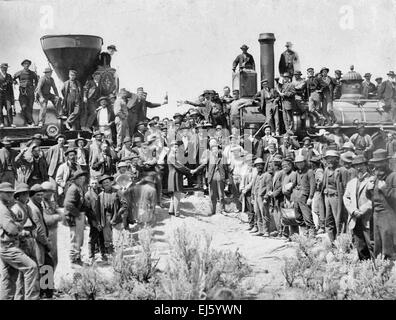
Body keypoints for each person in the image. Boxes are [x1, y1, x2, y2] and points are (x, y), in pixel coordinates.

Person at [0, 182, 39, 300]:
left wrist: (17, 227)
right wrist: (22, 231)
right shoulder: (3, 209)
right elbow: (11, 229)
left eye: (11, 193)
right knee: (31, 267)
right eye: (7, 193)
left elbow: (14, 224)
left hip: (7, 245)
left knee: (9, 277)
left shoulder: (6, 207)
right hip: (8, 246)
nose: (10, 195)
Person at [366, 149, 396, 260]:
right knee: (377, 244)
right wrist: (368, 190)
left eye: (380, 162)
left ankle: (391, 272)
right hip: (376, 215)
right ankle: (379, 270)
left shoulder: (393, 176)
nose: (377, 166)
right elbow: (372, 197)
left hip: (389, 216)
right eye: (375, 163)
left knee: (389, 247)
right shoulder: (375, 177)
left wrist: (385, 189)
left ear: (386, 162)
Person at [343, 155, 373, 260]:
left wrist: (362, 210)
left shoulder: (372, 180)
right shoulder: (351, 182)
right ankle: (364, 269)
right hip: (355, 218)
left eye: (361, 165)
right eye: (356, 166)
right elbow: (346, 198)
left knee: (371, 245)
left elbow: (374, 199)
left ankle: (377, 270)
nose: (359, 168)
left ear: (366, 165)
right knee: (360, 246)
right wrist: (353, 211)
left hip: (368, 218)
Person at [28, 184, 53, 298]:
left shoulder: (37, 205)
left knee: (46, 265)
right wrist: (46, 243)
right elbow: (38, 229)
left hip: (40, 241)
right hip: (38, 242)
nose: (40, 197)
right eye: (38, 195)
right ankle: (43, 293)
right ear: (31, 195)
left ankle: (46, 292)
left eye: (42, 195)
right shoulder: (33, 208)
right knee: (43, 266)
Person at [193, 139, 229, 215]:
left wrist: (227, 179)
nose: (215, 150)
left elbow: (226, 169)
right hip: (212, 178)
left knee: (221, 195)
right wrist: (195, 170)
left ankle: (222, 210)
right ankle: (213, 210)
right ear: (211, 150)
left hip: (220, 177)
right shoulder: (209, 157)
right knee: (212, 195)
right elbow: (203, 165)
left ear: (218, 149)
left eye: (216, 149)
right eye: (213, 149)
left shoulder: (222, 157)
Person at [63, 170, 89, 265]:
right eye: (81, 178)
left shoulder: (79, 188)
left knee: (79, 238)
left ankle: (78, 257)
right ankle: (74, 260)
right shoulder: (73, 189)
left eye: (84, 177)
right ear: (76, 179)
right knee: (75, 238)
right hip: (73, 216)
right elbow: (68, 204)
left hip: (78, 215)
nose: (83, 179)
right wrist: (78, 215)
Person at [322, 150, 344, 242]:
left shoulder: (340, 170)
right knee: (328, 220)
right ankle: (332, 241)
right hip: (327, 196)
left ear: (337, 159)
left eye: (332, 158)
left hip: (336, 196)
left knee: (338, 219)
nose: (329, 161)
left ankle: (340, 242)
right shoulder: (326, 170)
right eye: (328, 158)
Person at [84, 175, 106, 264]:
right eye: (92, 183)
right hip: (93, 219)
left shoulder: (102, 192)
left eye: (96, 183)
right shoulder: (87, 195)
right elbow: (87, 210)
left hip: (102, 218)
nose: (94, 185)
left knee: (102, 237)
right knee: (93, 238)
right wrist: (94, 222)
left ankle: (103, 254)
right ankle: (91, 256)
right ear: (90, 184)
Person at [292, 155, 315, 236]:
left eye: (301, 163)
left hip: (305, 196)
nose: (299, 165)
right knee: (298, 216)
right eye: (297, 163)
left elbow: (312, 185)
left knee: (307, 215)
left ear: (304, 162)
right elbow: (294, 185)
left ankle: (311, 233)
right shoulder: (297, 172)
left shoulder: (309, 172)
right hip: (297, 196)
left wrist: (310, 197)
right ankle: (304, 232)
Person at [41, 181, 62, 270]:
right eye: (47, 191)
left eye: (51, 191)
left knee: (54, 259)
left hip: (53, 232)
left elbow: (62, 216)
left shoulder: (52, 202)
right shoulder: (40, 204)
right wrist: (57, 216)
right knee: (48, 260)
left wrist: (57, 216)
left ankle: (49, 281)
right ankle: (47, 282)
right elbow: (47, 220)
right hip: (46, 233)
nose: (49, 193)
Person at [166, 140, 191, 217]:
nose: (176, 148)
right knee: (177, 194)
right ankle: (177, 213)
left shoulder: (173, 156)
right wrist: (189, 171)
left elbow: (180, 164)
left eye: (177, 147)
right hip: (175, 176)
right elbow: (179, 166)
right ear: (171, 148)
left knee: (174, 195)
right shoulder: (171, 156)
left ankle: (171, 210)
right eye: (174, 147)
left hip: (174, 176)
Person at [13, 59, 38, 127]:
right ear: (23, 65)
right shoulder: (20, 72)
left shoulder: (32, 73)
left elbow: (37, 80)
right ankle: (29, 121)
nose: (26, 65)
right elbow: (13, 78)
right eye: (25, 64)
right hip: (22, 92)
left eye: (28, 64)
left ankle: (29, 122)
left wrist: (35, 88)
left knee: (30, 107)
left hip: (30, 92)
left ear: (29, 65)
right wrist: (15, 82)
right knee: (24, 107)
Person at [251, 158, 272, 237]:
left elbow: (269, 188)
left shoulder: (267, 175)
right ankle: (261, 230)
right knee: (257, 213)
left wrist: (266, 198)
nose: (258, 167)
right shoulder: (256, 176)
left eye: (260, 165)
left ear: (263, 166)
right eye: (257, 166)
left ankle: (267, 231)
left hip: (263, 198)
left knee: (265, 214)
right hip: (256, 197)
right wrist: (253, 197)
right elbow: (254, 187)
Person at [310, 156, 325, 234]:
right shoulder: (315, 170)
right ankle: (319, 226)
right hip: (316, 191)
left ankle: (321, 226)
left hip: (318, 192)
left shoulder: (319, 171)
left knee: (317, 209)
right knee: (316, 209)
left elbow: (321, 180)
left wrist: (317, 185)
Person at [0, 63, 15, 128]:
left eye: (6, 68)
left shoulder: (9, 76)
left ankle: (11, 123)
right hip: (0, 95)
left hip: (7, 96)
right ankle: (1, 123)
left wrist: (12, 98)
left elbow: (11, 88)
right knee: (0, 110)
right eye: (3, 68)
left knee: (9, 109)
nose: (5, 69)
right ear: (1, 68)